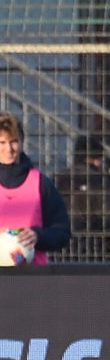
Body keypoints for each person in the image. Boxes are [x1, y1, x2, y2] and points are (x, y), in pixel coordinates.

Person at [0, 112, 71, 263]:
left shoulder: (41, 184)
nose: (9, 149)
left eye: (14, 142)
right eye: (2, 142)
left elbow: (62, 232)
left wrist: (38, 236)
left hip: (33, 274)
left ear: (22, 142)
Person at [53, 135, 110, 261]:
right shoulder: (100, 180)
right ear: (96, 159)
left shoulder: (58, 179)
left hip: (62, 249)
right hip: (95, 250)